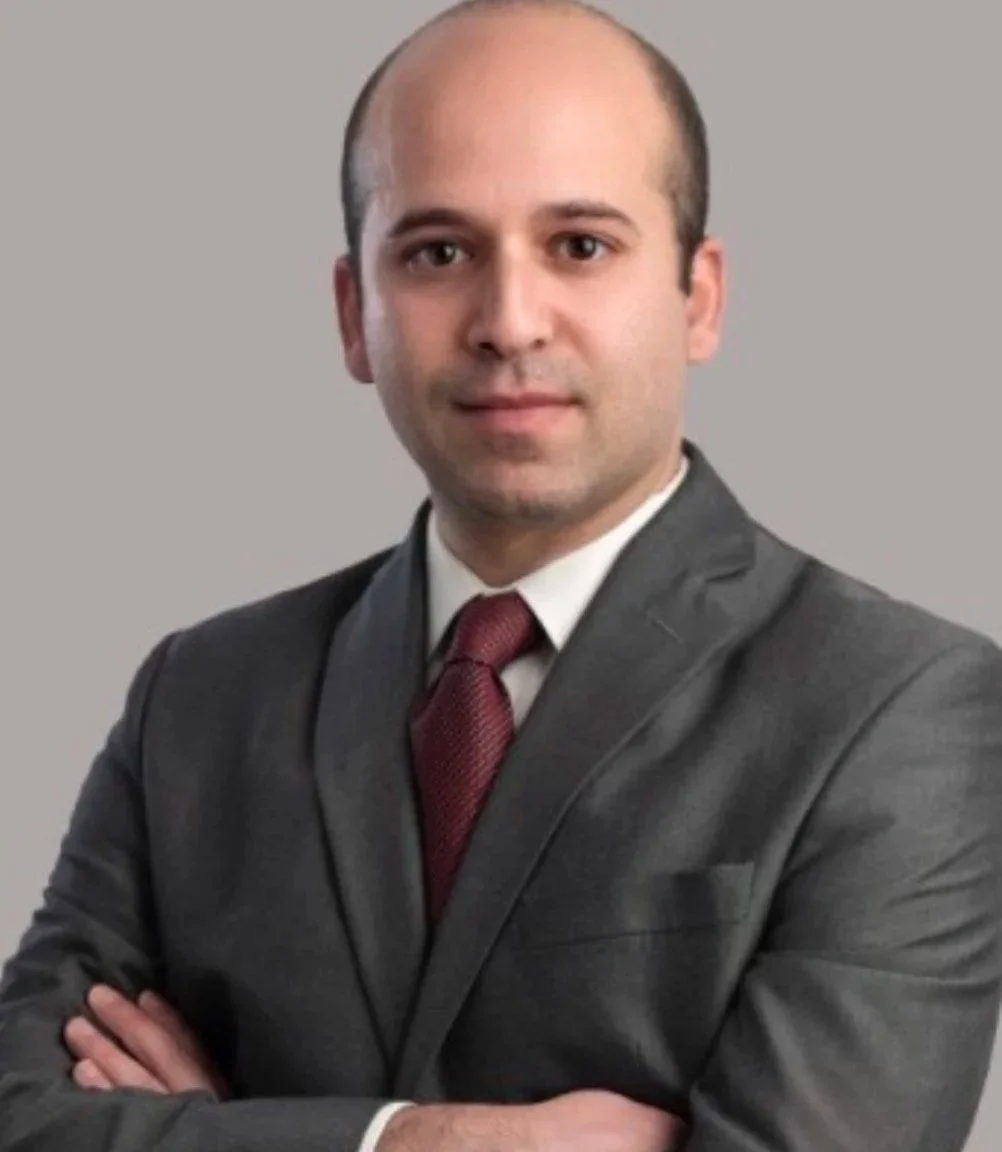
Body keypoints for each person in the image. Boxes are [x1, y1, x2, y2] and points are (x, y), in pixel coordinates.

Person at [1, 1, 1001, 1149]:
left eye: (581, 245)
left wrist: (230, 1131)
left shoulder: (902, 707)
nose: (508, 319)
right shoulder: (200, 695)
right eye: (437, 252)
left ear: (700, 297)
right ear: (353, 315)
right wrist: (428, 1142)